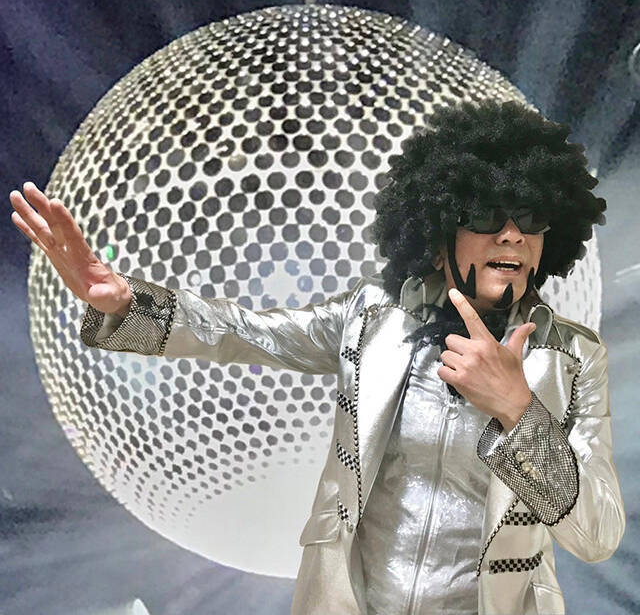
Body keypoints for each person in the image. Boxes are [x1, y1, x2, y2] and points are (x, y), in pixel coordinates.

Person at [9, 99, 625, 615]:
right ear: (439, 233)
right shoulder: (373, 317)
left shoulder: (573, 359)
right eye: (487, 215)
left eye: (530, 218)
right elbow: (245, 333)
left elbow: (598, 533)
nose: (511, 234)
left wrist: (519, 412)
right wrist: (124, 302)